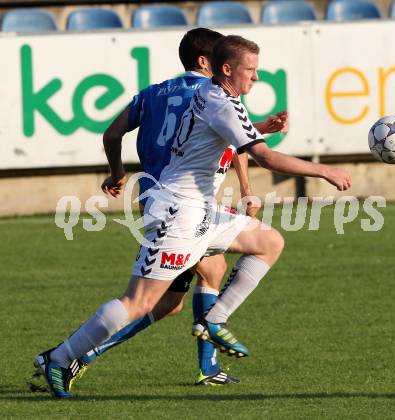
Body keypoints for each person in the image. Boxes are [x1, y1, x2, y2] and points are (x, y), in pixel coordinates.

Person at [34, 29, 289, 395]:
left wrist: (117, 174)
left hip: (156, 196)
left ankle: (205, 359)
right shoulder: (210, 95)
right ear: (207, 62)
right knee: (154, 297)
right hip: (180, 203)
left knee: (175, 298)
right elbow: (225, 143)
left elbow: (113, 134)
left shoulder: (153, 93)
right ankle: (70, 357)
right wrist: (248, 188)